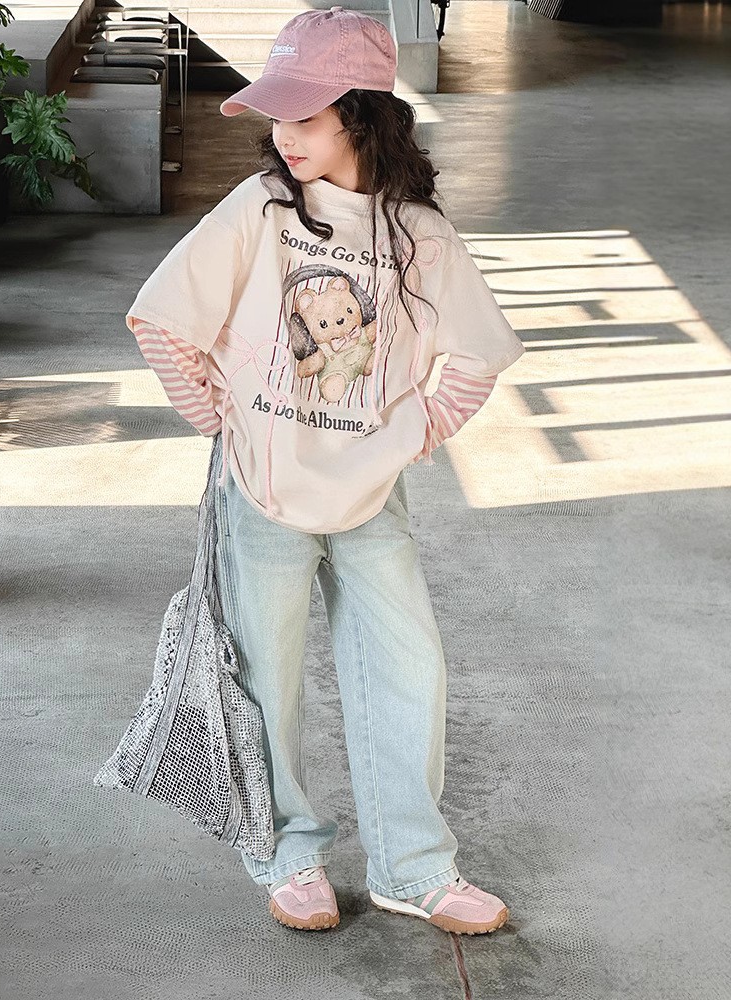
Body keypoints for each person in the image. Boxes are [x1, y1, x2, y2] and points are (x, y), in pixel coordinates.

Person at [125, 6, 524, 935]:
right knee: (267, 678)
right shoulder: (261, 211)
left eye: (305, 115)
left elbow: (479, 354)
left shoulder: (419, 234)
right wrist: (217, 418)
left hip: (372, 495)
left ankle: (412, 869)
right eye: (278, 115)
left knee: (410, 669)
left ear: (363, 114)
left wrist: (416, 432)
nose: (285, 135)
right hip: (262, 492)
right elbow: (161, 317)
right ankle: (286, 854)